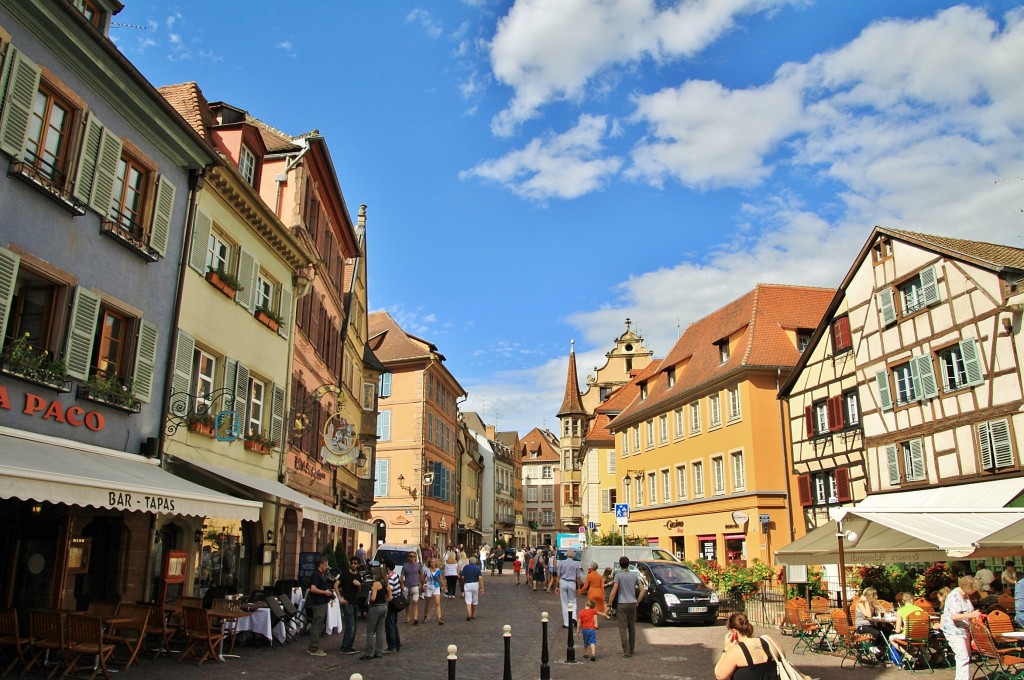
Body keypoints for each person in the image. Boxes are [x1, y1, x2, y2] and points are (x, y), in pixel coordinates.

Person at [941, 575, 982, 680]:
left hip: (963, 629)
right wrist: (972, 615)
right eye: (973, 589)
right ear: (968, 587)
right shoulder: (954, 595)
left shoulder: (965, 595)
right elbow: (954, 616)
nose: (974, 592)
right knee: (962, 657)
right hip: (954, 630)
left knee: (966, 655)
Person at [714, 612, 777, 680]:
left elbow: (719, 675)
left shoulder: (736, 651)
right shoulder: (769, 641)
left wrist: (726, 649)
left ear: (733, 632)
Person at [608, 555, 646, 658]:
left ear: (620, 565)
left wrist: (609, 603)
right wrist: (637, 601)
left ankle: (626, 651)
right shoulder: (634, 576)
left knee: (623, 628)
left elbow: (614, 591)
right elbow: (643, 591)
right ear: (628, 565)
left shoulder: (618, 576)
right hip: (632, 603)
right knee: (632, 628)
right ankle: (632, 649)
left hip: (622, 604)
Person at [359, 568, 390, 661]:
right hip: (384, 607)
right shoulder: (385, 583)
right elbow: (390, 595)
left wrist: (368, 601)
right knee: (380, 630)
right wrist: (386, 601)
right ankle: (379, 651)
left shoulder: (376, 584)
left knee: (370, 631)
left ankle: (369, 652)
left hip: (375, 607)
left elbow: (373, 598)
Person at [306, 556, 334, 657]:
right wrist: (324, 593)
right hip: (318, 603)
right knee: (317, 625)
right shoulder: (316, 575)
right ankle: (314, 648)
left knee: (317, 624)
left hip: (321, 602)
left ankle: (312, 646)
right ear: (321, 564)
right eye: (325, 564)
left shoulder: (320, 575)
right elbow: (313, 589)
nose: (326, 566)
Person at [335, 559, 363, 654]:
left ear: (358, 565)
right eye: (351, 563)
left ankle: (349, 646)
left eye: (355, 563)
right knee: (350, 625)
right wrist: (340, 597)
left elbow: (359, 591)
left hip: (355, 602)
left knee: (354, 625)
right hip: (347, 602)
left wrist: (359, 585)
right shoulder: (345, 574)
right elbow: (336, 585)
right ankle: (345, 647)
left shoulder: (358, 576)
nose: (353, 565)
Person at [853, 587, 889, 659]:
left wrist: (878, 607)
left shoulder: (872, 604)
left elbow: (880, 612)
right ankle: (874, 647)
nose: (876, 597)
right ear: (869, 596)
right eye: (874, 595)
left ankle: (877, 648)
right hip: (861, 626)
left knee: (888, 629)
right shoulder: (861, 604)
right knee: (877, 633)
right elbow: (868, 616)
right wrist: (866, 602)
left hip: (871, 625)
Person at [557, 549, 583, 629]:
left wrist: (557, 586)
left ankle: (567, 623)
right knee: (573, 601)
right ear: (573, 556)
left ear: (566, 555)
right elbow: (578, 577)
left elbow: (558, 575)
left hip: (563, 581)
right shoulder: (576, 564)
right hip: (572, 582)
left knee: (564, 602)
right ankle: (574, 617)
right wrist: (579, 588)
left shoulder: (561, 563)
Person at [400, 552, 426, 624]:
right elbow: (401, 576)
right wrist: (402, 585)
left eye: (413, 556)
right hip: (407, 586)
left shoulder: (418, 566)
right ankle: (407, 617)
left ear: (415, 557)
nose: (412, 557)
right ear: (408, 557)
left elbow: (421, 575)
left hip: (415, 586)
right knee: (407, 603)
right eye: (410, 556)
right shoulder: (405, 566)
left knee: (415, 601)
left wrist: (423, 584)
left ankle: (415, 617)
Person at [383, 559, 402, 653]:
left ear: (387, 567)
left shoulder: (390, 577)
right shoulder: (395, 575)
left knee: (389, 624)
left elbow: (389, 588)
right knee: (394, 624)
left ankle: (392, 646)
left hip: (391, 603)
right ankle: (397, 644)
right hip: (396, 602)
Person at [421, 557, 445, 624]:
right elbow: (422, 578)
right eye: (431, 562)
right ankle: (425, 616)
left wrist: (444, 587)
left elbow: (441, 579)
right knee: (427, 603)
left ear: (436, 563)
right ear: (429, 563)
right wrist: (423, 585)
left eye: (434, 562)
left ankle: (439, 618)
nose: (433, 564)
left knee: (437, 603)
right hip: (428, 588)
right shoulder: (427, 570)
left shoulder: (438, 570)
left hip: (436, 587)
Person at [461, 555, 485, 620]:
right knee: (475, 600)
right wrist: (481, 588)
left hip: (467, 584)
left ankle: (469, 613)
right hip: (475, 584)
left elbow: (462, 577)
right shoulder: (477, 568)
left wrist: (463, 582)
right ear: (475, 562)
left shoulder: (465, 567)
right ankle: (473, 614)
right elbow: (480, 578)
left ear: (469, 561)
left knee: (468, 600)